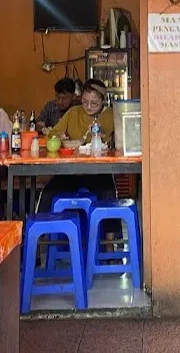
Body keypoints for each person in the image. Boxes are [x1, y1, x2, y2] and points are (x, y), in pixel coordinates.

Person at [40, 79, 119, 251]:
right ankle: (39, 243)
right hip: (71, 171)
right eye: (85, 101)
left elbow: (113, 140)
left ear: (103, 101)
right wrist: (60, 137)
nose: (89, 106)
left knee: (108, 193)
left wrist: (102, 133)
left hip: (97, 172)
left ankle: (109, 244)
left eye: (94, 103)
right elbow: (53, 133)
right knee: (48, 192)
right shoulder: (73, 112)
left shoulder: (109, 115)